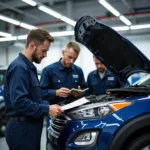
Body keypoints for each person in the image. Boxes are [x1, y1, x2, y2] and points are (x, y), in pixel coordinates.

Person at [4, 28, 64, 150]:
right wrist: (47, 109)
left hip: (29, 129)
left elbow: (36, 94)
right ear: (32, 45)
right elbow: (19, 102)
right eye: (43, 50)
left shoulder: (28, 68)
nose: (45, 55)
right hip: (22, 130)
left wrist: (55, 93)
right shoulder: (19, 68)